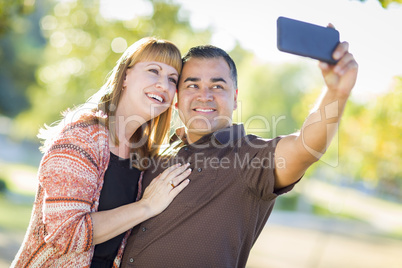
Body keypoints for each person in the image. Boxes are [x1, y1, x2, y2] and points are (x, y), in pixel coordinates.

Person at [120, 34, 358, 267]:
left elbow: (304, 147)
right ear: (177, 97)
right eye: (193, 84)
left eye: (217, 85)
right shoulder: (157, 152)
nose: (205, 96)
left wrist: (335, 93)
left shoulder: (249, 157)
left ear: (234, 99)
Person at [11, 37, 192, 268]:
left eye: (172, 79)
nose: (163, 85)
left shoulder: (144, 154)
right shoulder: (80, 138)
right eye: (153, 70)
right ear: (125, 75)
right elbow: (65, 233)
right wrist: (146, 206)